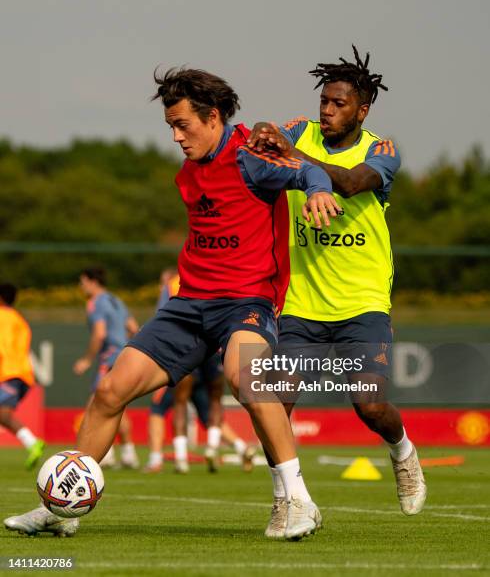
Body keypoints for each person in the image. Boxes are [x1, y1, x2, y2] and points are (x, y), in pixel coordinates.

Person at [5, 67, 341, 540]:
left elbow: (307, 170)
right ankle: (63, 512)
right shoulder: (190, 170)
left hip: (245, 301)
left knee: (247, 378)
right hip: (187, 306)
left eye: (183, 125)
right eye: (170, 127)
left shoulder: (251, 157)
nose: (176, 136)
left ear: (214, 116)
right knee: (108, 393)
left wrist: (320, 192)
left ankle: (300, 502)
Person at [248, 46, 427, 538]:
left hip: (363, 300)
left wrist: (291, 157)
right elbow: (261, 136)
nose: (328, 110)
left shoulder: (381, 151)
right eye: (325, 101)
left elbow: (346, 184)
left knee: (368, 404)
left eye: (339, 104)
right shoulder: (300, 130)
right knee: (273, 403)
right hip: (302, 300)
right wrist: (267, 132)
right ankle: (288, 500)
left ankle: (402, 452)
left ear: (362, 109)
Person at [144, 270, 255, 474]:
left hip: (186, 349)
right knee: (212, 405)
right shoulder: (222, 276)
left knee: (171, 405)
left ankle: (175, 459)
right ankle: (220, 447)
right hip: (215, 348)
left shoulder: (173, 283)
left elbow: (163, 317)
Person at [73, 267, 140, 469]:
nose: (81, 286)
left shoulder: (96, 302)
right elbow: (134, 329)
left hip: (109, 357)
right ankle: (129, 454)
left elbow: (100, 333)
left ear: (92, 282)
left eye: (83, 281)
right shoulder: (116, 300)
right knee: (116, 404)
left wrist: (87, 359)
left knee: (96, 405)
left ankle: (106, 454)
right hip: (124, 356)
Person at [0, 284, 45, 470]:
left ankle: (33, 443)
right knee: (3, 414)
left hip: (10, 372)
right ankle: (32, 444)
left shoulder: (3, 316)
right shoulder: (19, 319)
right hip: (22, 373)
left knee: (2, 413)